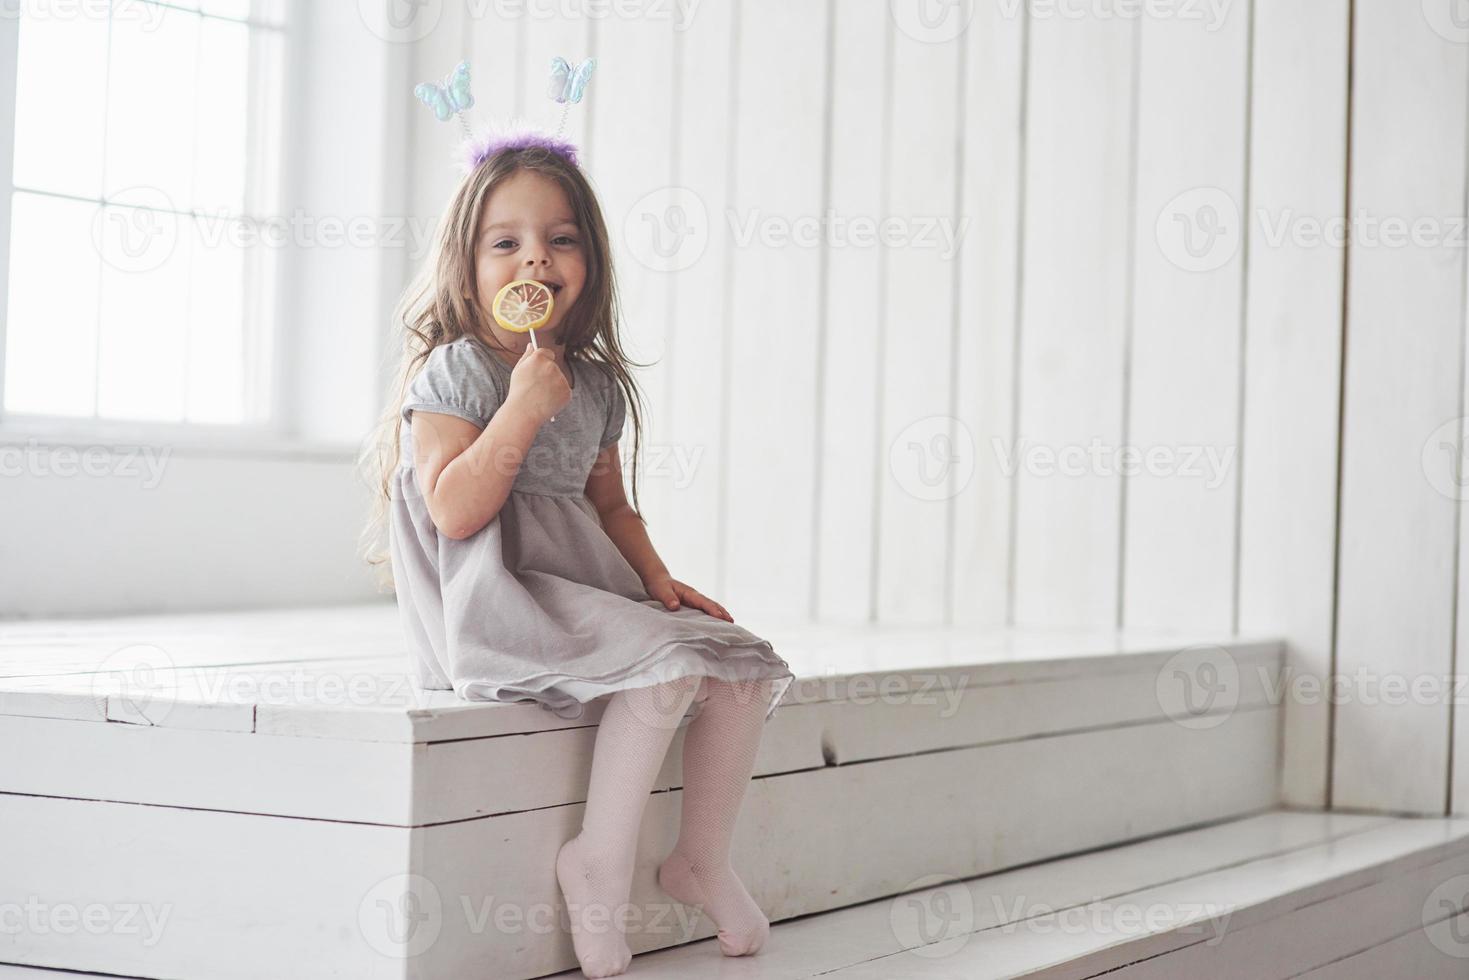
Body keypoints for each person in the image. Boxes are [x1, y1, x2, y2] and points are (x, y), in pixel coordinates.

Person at [359, 135, 794, 978]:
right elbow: (453, 511)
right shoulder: (459, 372)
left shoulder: (592, 384)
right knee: (664, 673)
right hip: (495, 590)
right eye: (505, 242)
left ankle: (699, 857)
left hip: (578, 578)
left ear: (588, 261)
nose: (536, 258)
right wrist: (519, 410)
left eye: (561, 239)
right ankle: (596, 860)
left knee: (738, 667)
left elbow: (610, 506)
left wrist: (659, 584)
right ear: (466, 264)